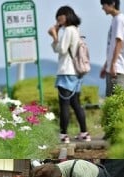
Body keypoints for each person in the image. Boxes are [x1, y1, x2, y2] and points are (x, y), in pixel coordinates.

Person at [48, 6, 90, 144]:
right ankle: (84, 132)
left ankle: (63, 135)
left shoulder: (68, 30)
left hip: (66, 71)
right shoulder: (76, 30)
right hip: (76, 73)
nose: (58, 19)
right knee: (76, 104)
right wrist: (57, 34)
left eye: (60, 17)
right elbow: (61, 49)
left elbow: (61, 49)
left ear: (66, 16)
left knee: (64, 105)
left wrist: (55, 35)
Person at [100, 0, 124, 97]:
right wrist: (106, 65)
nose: (102, 8)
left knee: (116, 102)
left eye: (103, 5)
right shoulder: (115, 19)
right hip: (113, 68)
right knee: (110, 102)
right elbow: (112, 45)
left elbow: (119, 43)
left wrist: (113, 64)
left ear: (112, 3)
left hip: (117, 69)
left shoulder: (119, 19)